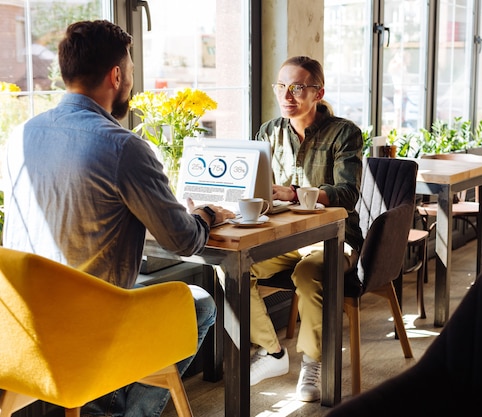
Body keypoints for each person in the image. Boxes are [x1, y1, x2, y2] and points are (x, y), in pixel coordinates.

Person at [2, 20, 234, 417]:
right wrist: (205, 213)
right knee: (199, 303)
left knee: (137, 288)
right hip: (89, 332)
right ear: (116, 75)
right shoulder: (124, 148)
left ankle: (103, 405)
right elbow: (183, 241)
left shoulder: (19, 136)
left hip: (22, 328)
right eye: (129, 70)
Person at [250, 56, 364, 402]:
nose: (287, 95)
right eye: (282, 87)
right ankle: (272, 352)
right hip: (286, 236)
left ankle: (313, 362)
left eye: (297, 88)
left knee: (312, 272)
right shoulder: (268, 132)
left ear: (318, 92)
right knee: (235, 271)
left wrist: (293, 193)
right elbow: (260, 189)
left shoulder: (344, 133)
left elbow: (348, 194)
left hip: (335, 238)